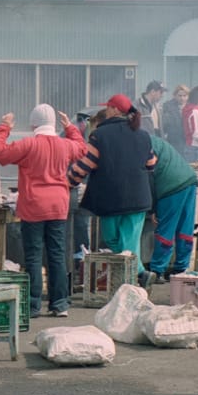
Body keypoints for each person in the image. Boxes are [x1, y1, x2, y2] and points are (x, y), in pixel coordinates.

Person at [0, 103, 86, 318]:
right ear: (53, 124)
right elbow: (81, 148)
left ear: (33, 124)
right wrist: (70, 127)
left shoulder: (28, 144)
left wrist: (4, 127)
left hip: (33, 206)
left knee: (33, 256)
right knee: (57, 254)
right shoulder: (65, 145)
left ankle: (33, 305)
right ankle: (59, 304)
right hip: (58, 206)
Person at [67, 94, 158, 290]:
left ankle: (133, 280)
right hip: (137, 197)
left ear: (115, 110)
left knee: (113, 239)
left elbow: (85, 165)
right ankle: (139, 274)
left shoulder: (100, 135)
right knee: (128, 242)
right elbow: (151, 164)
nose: (106, 110)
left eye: (108, 107)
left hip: (111, 199)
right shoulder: (143, 135)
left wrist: (69, 181)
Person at [145, 135, 197, 282]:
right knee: (185, 228)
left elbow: (149, 176)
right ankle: (181, 268)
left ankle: (157, 270)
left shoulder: (141, 143)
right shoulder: (151, 139)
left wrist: (153, 208)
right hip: (189, 179)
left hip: (170, 186)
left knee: (166, 229)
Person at [160, 84, 190, 155]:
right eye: (180, 96)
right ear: (175, 96)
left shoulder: (191, 107)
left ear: (188, 96)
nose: (182, 98)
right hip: (173, 140)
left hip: (187, 141)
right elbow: (164, 124)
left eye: (184, 96)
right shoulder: (168, 106)